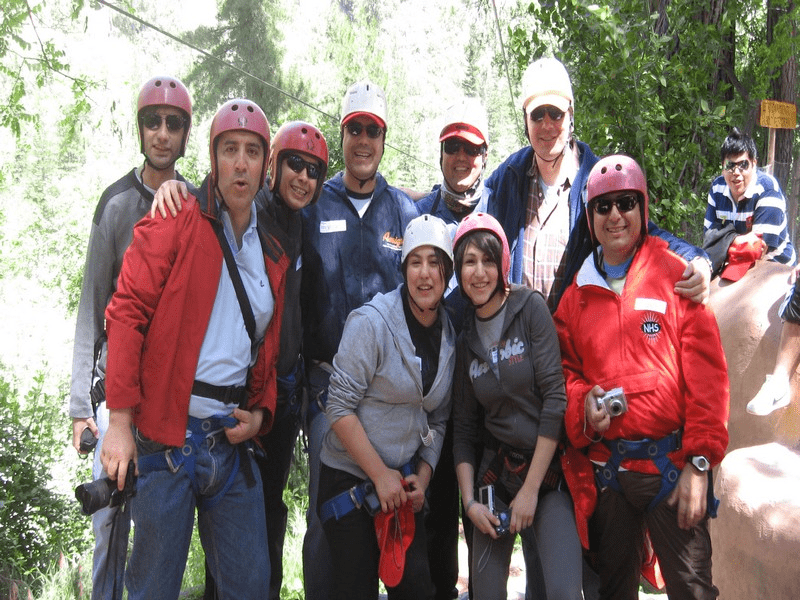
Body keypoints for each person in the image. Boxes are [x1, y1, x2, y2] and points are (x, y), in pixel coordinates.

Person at [100, 98, 286, 600]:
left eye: (252, 151)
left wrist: (261, 412)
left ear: (266, 164)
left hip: (229, 441)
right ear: (213, 158)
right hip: (166, 438)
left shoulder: (270, 254)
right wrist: (118, 422)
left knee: (250, 587)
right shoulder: (177, 216)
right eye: (230, 150)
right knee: (152, 590)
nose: (241, 163)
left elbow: (265, 350)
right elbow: (126, 311)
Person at [150, 121, 330, 599]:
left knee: (265, 509)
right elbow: (212, 200)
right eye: (294, 163)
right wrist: (173, 184)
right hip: (217, 399)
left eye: (313, 170)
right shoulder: (253, 210)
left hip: (279, 390)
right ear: (275, 166)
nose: (302, 176)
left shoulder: (307, 221)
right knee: (222, 525)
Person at [554, 155, 729, 600]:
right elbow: (564, 373)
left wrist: (699, 463)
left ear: (643, 209)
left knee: (692, 589)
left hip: (671, 470)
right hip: (608, 475)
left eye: (626, 202)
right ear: (590, 217)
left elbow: (708, 382)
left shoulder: (676, 278)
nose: (615, 215)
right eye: (603, 206)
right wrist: (582, 407)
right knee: (613, 590)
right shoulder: (576, 298)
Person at [68, 75, 193, 600]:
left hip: (168, 400)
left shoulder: (193, 203)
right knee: (109, 535)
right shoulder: (116, 205)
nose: (162, 134)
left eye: (173, 124)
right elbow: (91, 307)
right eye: (152, 122)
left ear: (186, 134)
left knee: (158, 536)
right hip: (112, 396)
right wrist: (79, 408)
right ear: (139, 129)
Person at [301, 79, 419, 600]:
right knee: (328, 521)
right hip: (328, 388)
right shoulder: (312, 204)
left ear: (384, 139)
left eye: (373, 130)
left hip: (390, 393)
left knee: (393, 515)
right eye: (355, 130)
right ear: (342, 134)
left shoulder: (405, 213)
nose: (364, 140)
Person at [478, 56, 711, 312]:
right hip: (520, 339)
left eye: (555, 114)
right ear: (526, 120)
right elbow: (472, 203)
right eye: (537, 115)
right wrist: (430, 201)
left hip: (575, 338)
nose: (546, 125)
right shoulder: (511, 175)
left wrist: (697, 259)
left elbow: (643, 231)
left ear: (570, 116)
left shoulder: (599, 180)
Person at [318, 214, 456, 600]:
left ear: (446, 272)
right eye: (416, 262)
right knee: (355, 590)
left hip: (402, 483)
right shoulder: (371, 324)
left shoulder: (449, 337)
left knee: (417, 590)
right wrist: (379, 475)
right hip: (349, 478)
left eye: (434, 263)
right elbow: (339, 407)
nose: (425, 274)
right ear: (404, 269)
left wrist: (424, 477)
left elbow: (439, 416)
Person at [452, 211, 583, 600]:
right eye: (469, 262)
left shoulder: (529, 308)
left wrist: (530, 491)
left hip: (546, 476)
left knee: (562, 591)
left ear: (503, 264)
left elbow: (555, 399)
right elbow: (462, 427)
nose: (478, 273)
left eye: (487, 260)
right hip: (497, 477)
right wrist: (470, 502)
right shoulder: (465, 340)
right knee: (486, 593)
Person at [416, 97, 489, 599]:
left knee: (485, 510)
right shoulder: (418, 215)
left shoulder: (501, 212)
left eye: (471, 148)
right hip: (437, 393)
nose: (462, 157)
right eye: (453, 147)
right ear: (441, 153)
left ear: (485, 155)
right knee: (439, 513)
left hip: (492, 388)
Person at [702, 127, 798, 416]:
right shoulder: (717, 189)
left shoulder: (767, 189)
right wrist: (728, 243)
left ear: (753, 164)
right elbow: (709, 240)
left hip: (773, 265)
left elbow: (758, 246)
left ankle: (778, 381)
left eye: (743, 164)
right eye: (730, 166)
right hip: (728, 271)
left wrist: (727, 240)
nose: (736, 173)